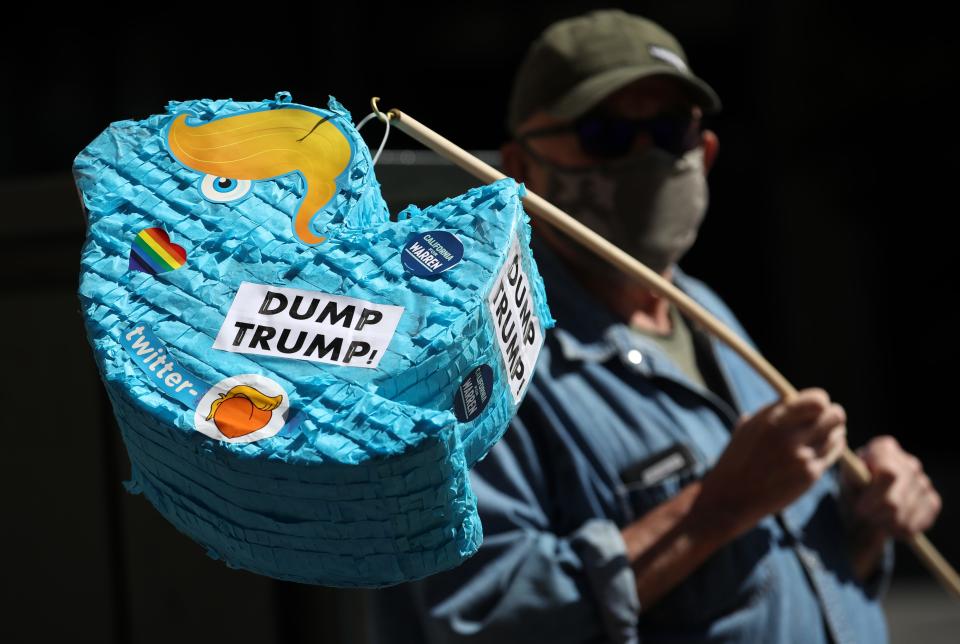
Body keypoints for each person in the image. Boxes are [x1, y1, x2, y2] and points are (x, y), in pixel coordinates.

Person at [368, 9, 942, 643]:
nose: (646, 156)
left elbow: (769, 574)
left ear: (707, 151)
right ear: (518, 169)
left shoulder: (706, 311)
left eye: (670, 130)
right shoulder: (484, 364)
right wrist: (714, 508)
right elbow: (483, 620)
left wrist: (862, 524)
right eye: (605, 133)